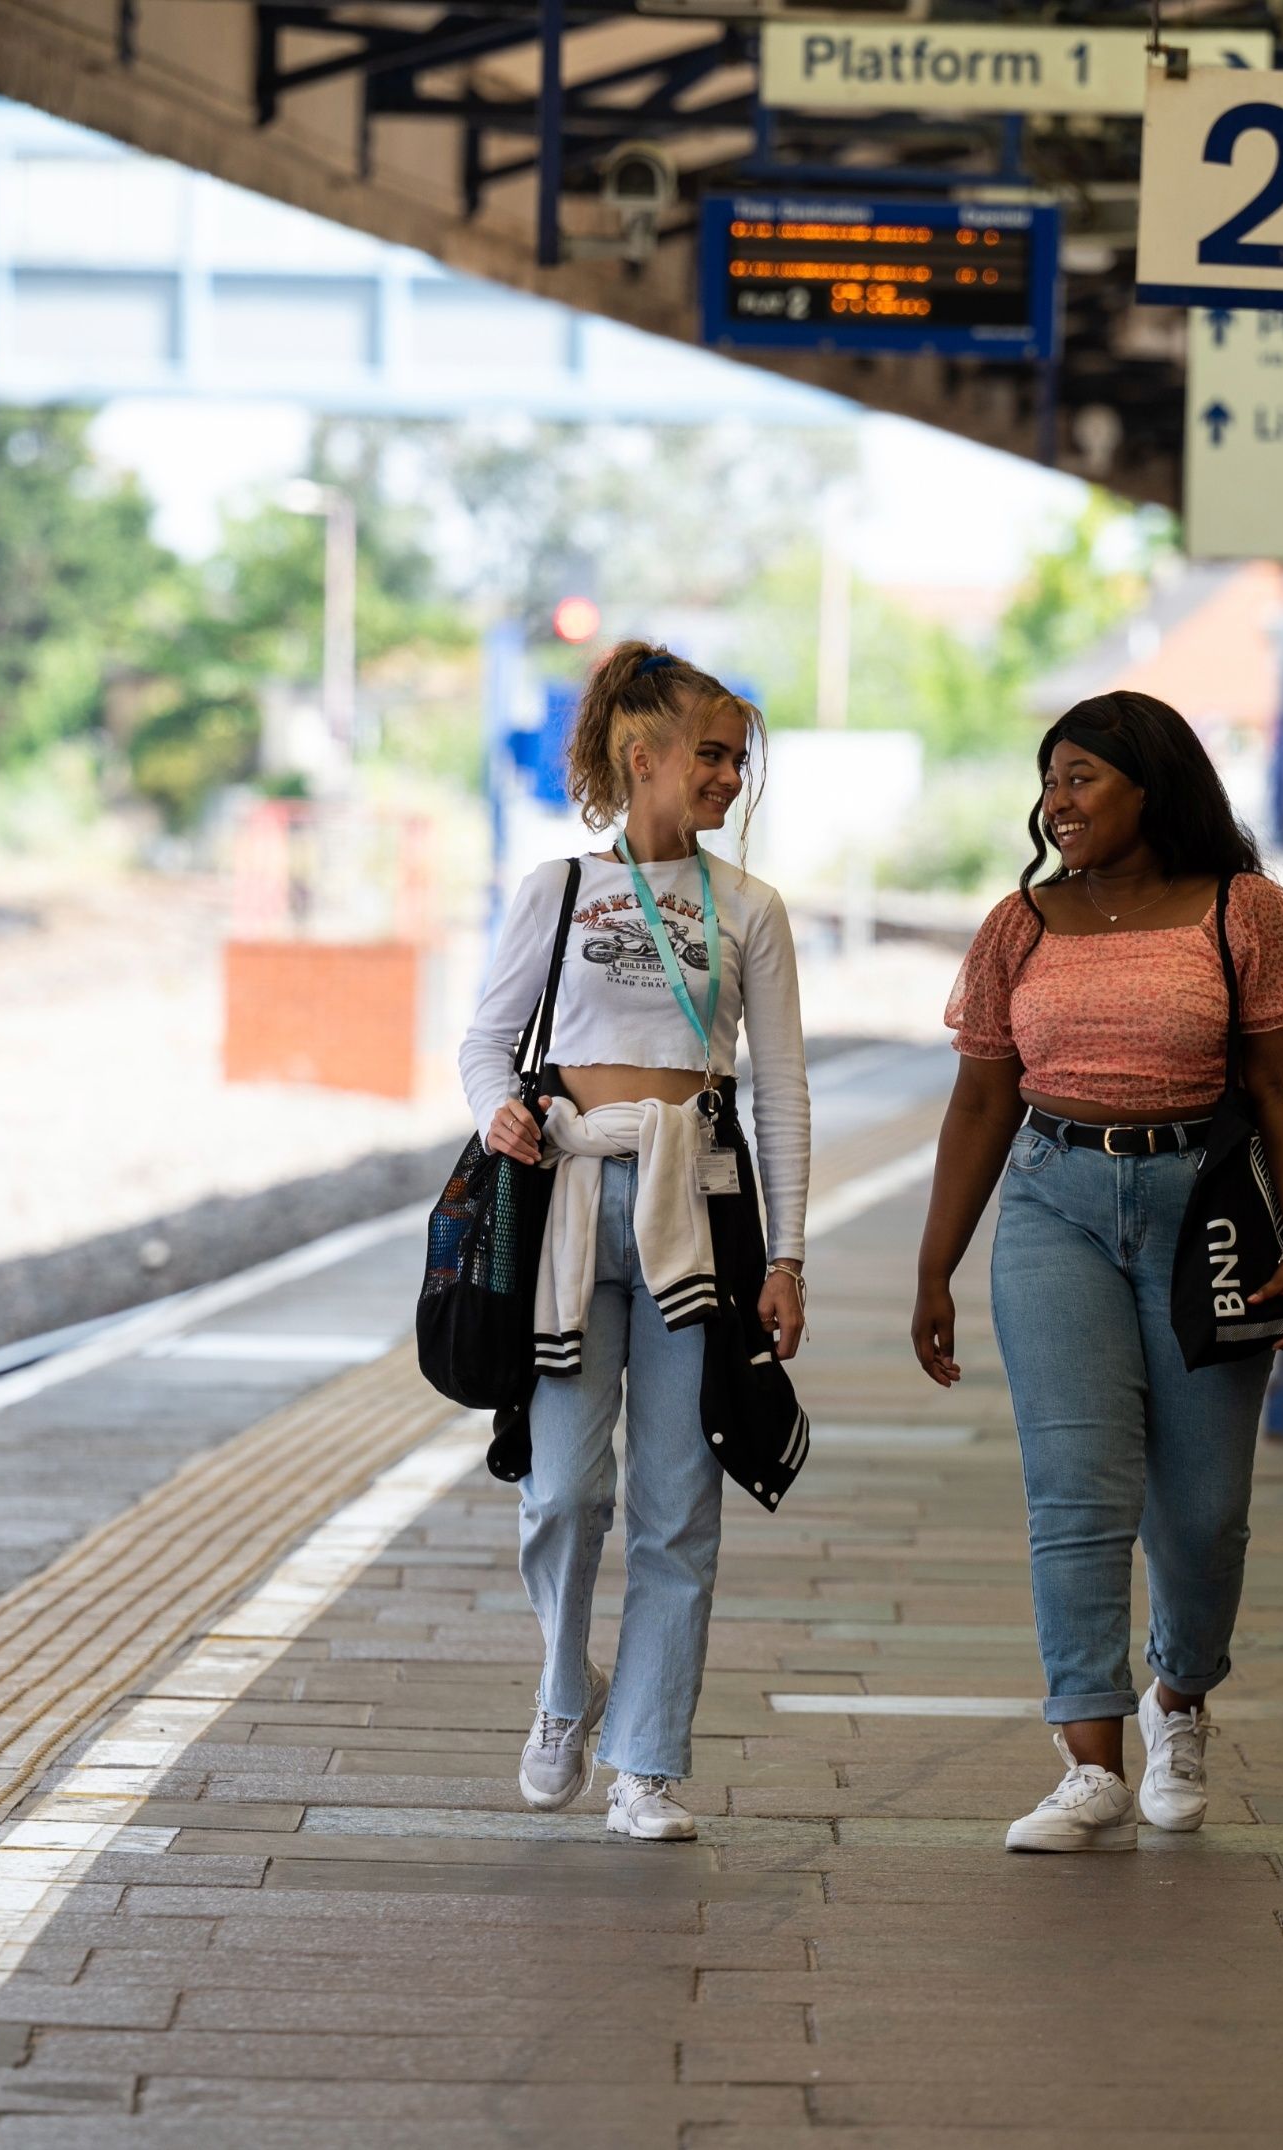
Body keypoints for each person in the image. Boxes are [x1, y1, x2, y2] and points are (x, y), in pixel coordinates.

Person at [910, 692, 1283, 1853]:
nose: (1059, 799)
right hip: (1053, 1205)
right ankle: (1089, 1759)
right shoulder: (1019, 925)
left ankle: (1180, 1697)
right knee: (1077, 1490)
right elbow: (983, 1097)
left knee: (1204, 1514)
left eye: (1084, 776)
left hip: (1210, 1218)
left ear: (1154, 785)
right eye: (1050, 778)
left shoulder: (1248, 914)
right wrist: (935, 1264)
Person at [457, 641, 811, 1844]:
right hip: (565, 1197)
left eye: (738, 759)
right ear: (641, 755)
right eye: (710, 755)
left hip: (696, 1212)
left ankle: (647, 1760)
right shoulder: (553, 891)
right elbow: (484, 1041)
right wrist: (493, 1107)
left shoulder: (751, 910)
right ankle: (568, 1689)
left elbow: (784, 1095)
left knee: (677, 1501)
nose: (728, 776)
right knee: (563, 1490)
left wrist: (790, 1256)